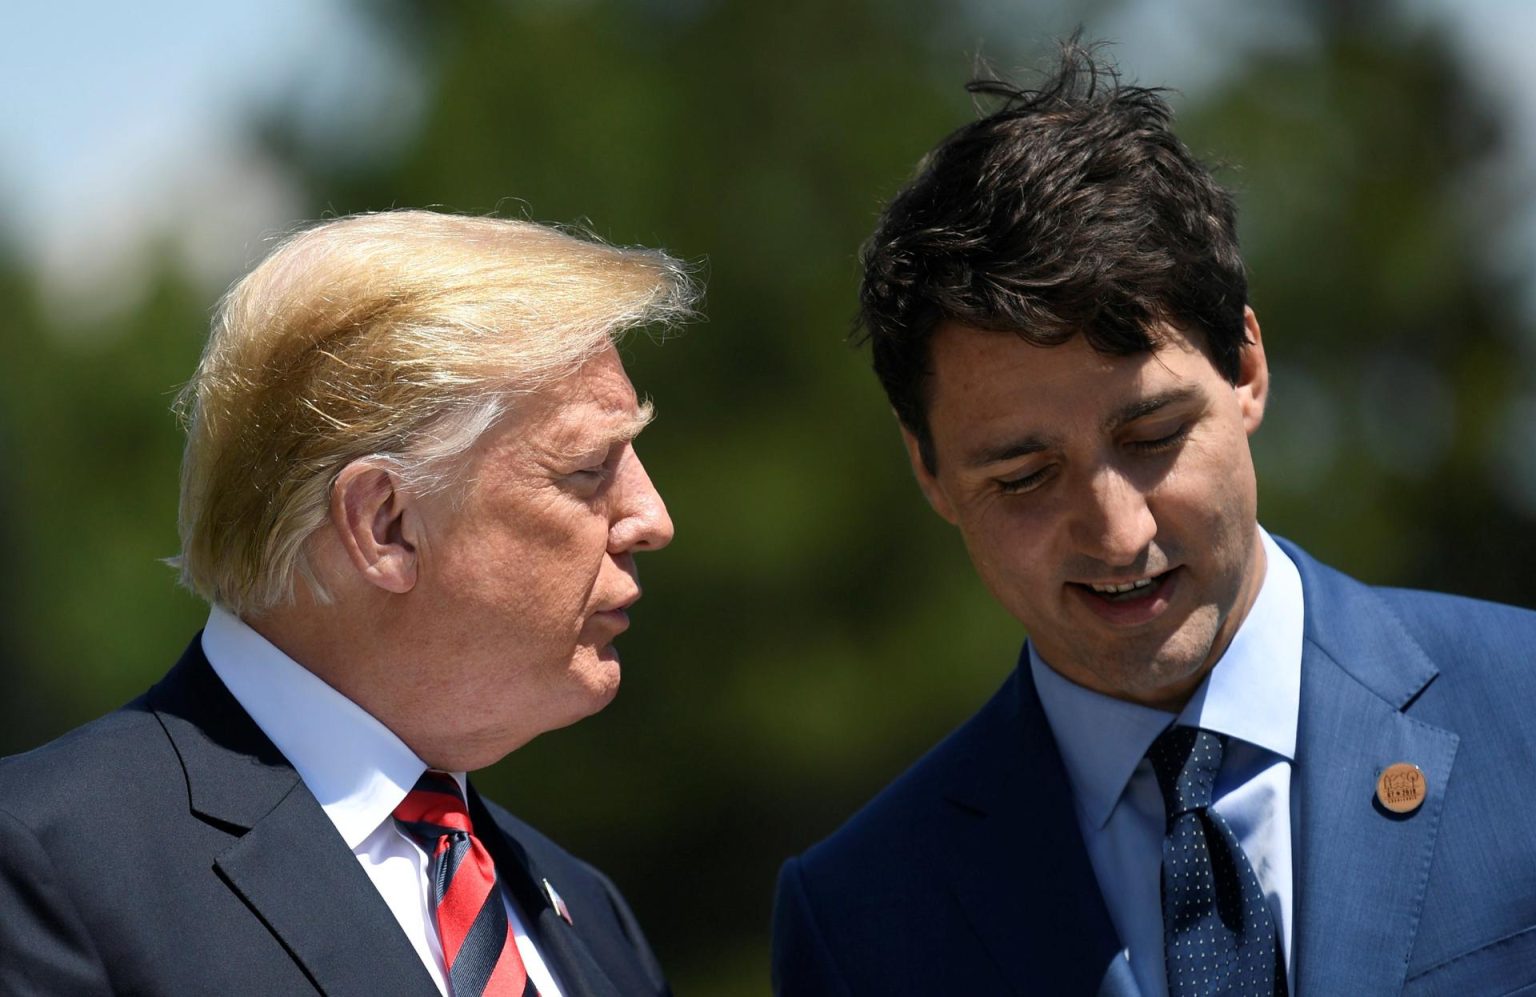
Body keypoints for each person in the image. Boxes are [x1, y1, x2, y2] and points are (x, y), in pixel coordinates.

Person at [771, 43, 1536, 997]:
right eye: (1024, 478)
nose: (1117, 532)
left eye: (1153, 435)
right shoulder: (863, 916)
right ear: (926, 468)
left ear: (1246, 368)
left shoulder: (1523, 712)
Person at [0, 210, 694, 996]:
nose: (653, 517)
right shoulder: (44, 868)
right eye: (587, 468)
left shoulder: (592, 915)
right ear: (385, 524)